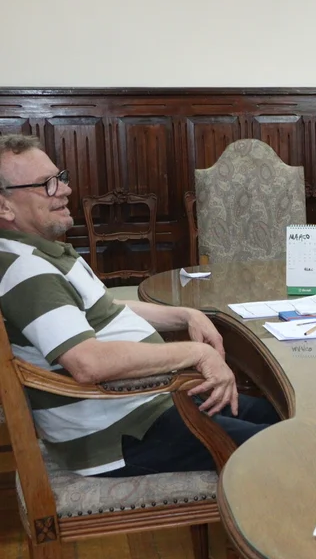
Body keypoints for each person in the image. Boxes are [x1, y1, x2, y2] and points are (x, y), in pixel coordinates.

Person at [0, 134, 278, 477]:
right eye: (46, 184)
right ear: (4, 206)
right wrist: (197, 354)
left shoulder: (42, 251)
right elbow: (87, 363)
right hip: (125, 433)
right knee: (286, 447)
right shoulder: (26, 270)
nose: (64, 190)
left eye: (61, 178)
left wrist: (185, 314)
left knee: (283, 417)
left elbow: (103, 309)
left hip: (148, 403)